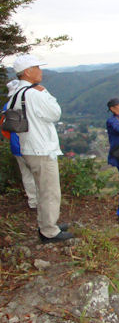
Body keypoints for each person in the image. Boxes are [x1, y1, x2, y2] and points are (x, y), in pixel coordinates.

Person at [9, 54, 73, 243]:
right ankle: (49, 231)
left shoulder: (16, 92)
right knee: (50, 191)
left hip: (29, 147)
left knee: (42, 189)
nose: (41, 71)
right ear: (28, 72)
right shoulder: (34, 93)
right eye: (37, 67)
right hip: (41, 149)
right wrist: (44, 92)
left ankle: (47, 223)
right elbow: (55, 113)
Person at [2, 80, 38, 209]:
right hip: (32, 145)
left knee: (26, 175)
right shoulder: (28, 102)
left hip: (16, 145)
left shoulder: (7, 106)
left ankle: (33, 201)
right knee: (38, 174)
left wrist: (12, 138)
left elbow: (4, 128)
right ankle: (43, 202)